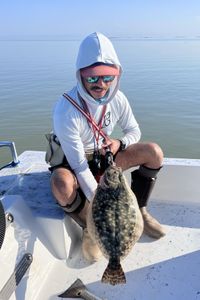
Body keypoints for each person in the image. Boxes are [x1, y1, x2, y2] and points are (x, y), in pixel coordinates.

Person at [50, 32, 165, 259]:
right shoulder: (66, 110)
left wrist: (120, 142)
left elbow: (134, 131)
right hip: (75, 162)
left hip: (104, 157)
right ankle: (90, 228)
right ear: (80, 75)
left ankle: (139, 210)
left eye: (107, 77)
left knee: (154, 152)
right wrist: (107, 204)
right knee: (61, 185)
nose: (100, 84)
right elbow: (80, 166)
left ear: (116, 75)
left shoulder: (118, 99)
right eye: (92, 77)